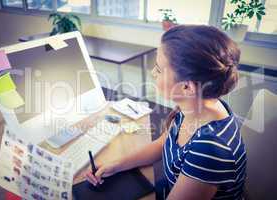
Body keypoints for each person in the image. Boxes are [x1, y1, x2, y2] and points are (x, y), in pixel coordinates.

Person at [84, 25, 246, 200]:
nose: (153, 72)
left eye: (159, 69)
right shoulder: (197, 105)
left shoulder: (210, 150)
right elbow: (164, 143)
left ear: (187, 87)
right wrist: (116, 165)